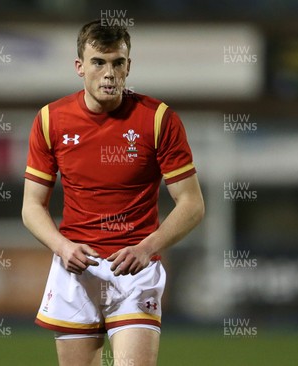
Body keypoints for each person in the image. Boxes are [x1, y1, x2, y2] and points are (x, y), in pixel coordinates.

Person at [21, 19, 204, 366]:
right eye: (98, 62)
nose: (109, 73)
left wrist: (147, 248)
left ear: (128, 66)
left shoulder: (157, 120)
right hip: (76, 269)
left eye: (118, 63)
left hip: (135, 269)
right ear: (79, 67)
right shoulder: (50, 121)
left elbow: (192, 204)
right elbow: (31, 206)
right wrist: (62, 246)